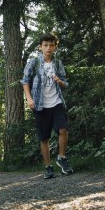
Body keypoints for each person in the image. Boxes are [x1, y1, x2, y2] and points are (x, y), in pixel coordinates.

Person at [21, 32, 74, 179]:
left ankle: (62, 158)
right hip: (40, 104)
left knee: (63, 129)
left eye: (51, 45)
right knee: (44, 137)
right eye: (45, 45)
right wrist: (29, 99)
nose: (48, 48)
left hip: (56, 102)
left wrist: (60, 81)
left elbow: (65, 83)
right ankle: (48, 167)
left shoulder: (58, 63)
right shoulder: (34, 62)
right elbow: (25, 81)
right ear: (40, 47)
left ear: (55, 47)